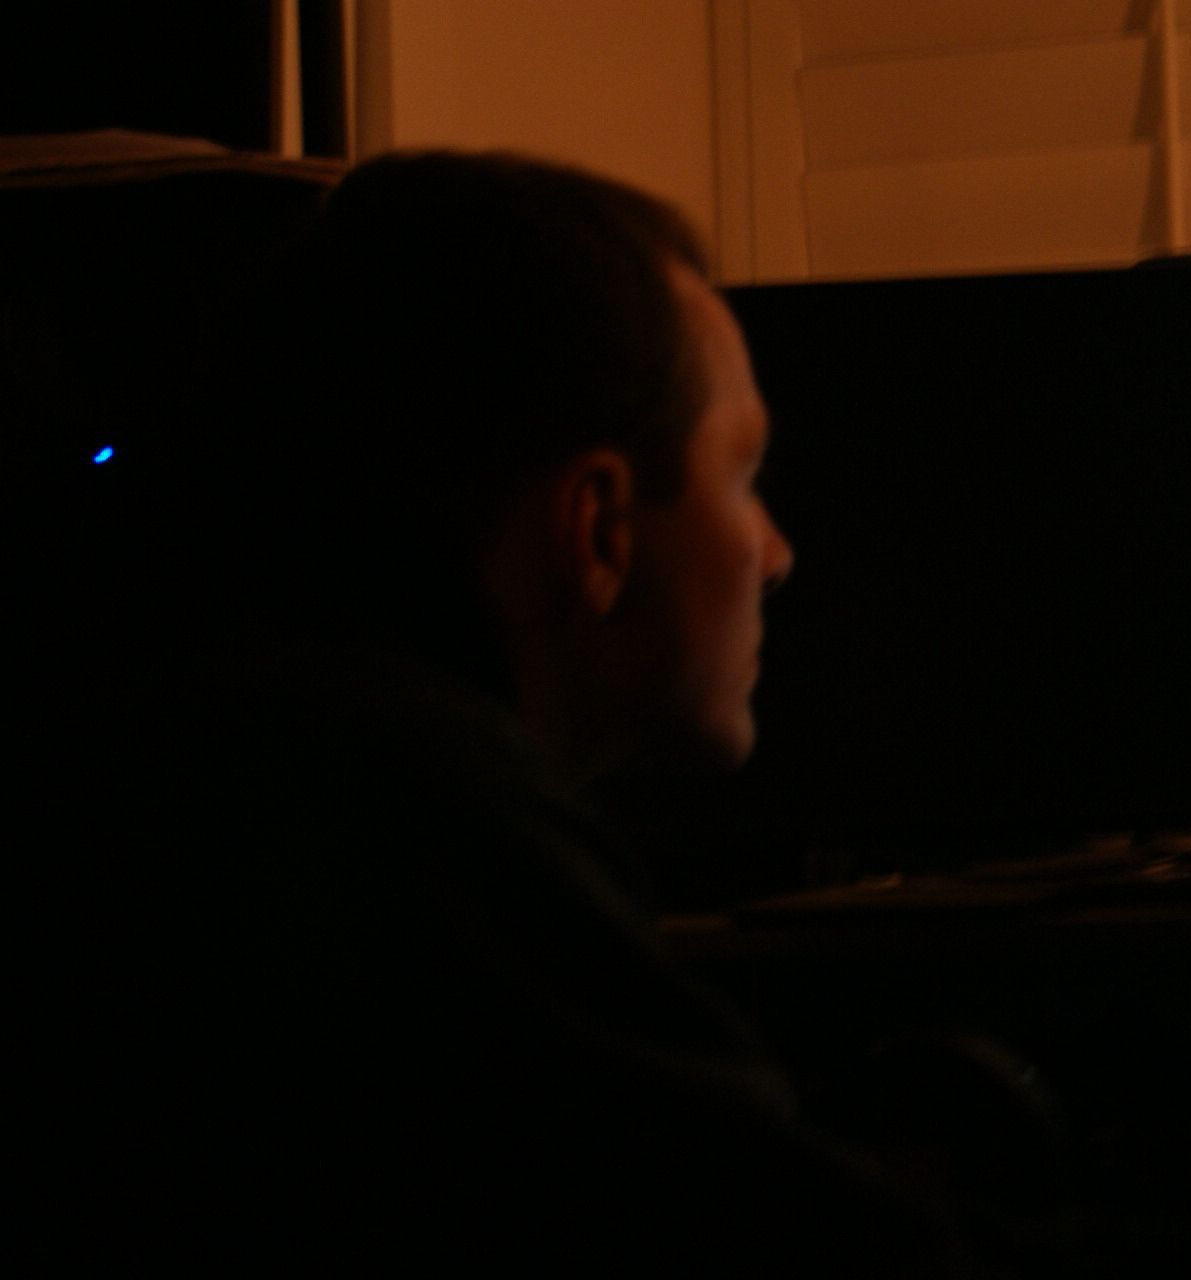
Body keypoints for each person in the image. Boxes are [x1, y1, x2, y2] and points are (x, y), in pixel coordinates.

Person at [20, 150, 975, 1274]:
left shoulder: (206, 737)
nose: (775, 553)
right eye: (741, 473)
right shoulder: (415, 813)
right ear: (598, 525)